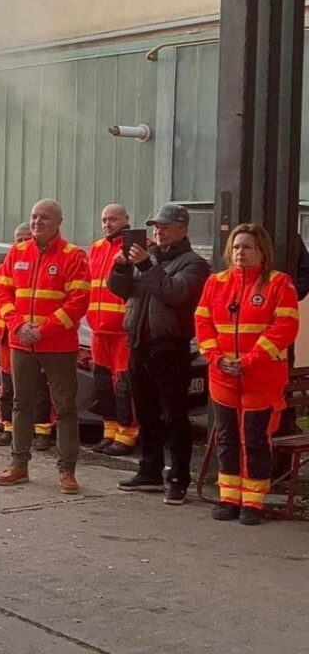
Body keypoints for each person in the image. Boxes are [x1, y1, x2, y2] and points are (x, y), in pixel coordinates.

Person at [195, 224, 299, 525]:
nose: (241, 253)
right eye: (237, 247)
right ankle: (228, 497)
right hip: (223, 375)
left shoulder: (280, 284)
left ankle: (253, 502)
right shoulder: (215, 283)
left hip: (262, 377)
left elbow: (285, 328)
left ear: (262, 252)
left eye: (248, 247)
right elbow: (203, 325)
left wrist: (251, 359)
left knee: (254, 439)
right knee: (226, 437)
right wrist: (217, 357)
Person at [110, 203, 210, 505]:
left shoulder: (194, 264)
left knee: (174, 414)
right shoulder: (149, 257)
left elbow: (175, 293)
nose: (158, 231)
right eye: (156, 226)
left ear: (183, 229)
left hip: (170, 346)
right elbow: (121, 290)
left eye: (165, 226)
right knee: (147, 412)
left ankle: (179, 478)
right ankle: (149, 471)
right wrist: (121, 266)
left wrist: (144, 267)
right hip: (140, 342)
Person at [0, 199, 90, 495]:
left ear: (58, 222)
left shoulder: (74, 256)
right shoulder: (17, 252)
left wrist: (43, 331)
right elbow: (2, 292)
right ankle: (19, 464)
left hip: (58, 345)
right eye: (34, 217)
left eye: (44, 218)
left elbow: (78, 303)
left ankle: (66, 471)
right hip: (22, 342)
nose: (37, 222)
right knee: (21, 403)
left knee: (65, 408)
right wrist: (18, 325)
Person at [87, 204, 140, 455]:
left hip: (122, 331)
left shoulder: (136, 247)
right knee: (104, 384)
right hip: (99, 330)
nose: (107, 224)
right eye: (104, 220)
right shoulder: (97, 248)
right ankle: (109, 431)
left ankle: (127, 434)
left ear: (126, 219)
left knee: (124, 386)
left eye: (113, 219)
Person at [0, 223, 33, 446]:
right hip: (6, 337)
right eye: (19, 239)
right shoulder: (7, 267)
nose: (22, 243)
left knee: (33, 387)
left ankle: (39, 431)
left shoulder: (36, 266)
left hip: (29, 336)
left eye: (26, 238)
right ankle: (8, 428)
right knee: (7, 385)